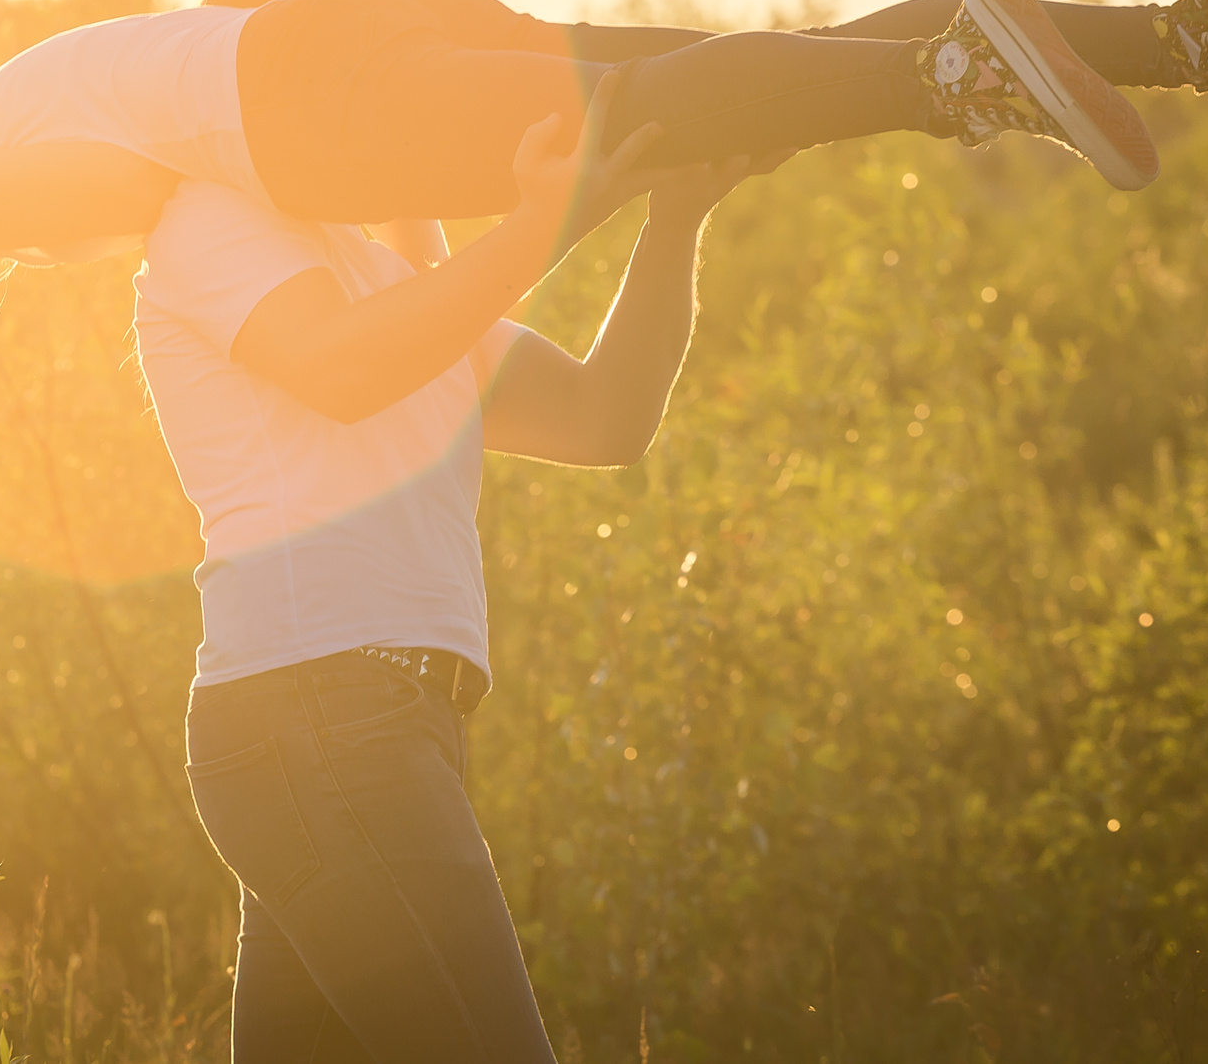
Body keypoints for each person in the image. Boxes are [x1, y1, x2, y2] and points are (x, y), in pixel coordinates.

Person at [0, 0, 1208, 606]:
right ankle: (1198, 32)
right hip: (367, 29)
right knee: (718, 81)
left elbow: (127, 175)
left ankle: (956, 76)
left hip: (306, 110)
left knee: (650, 119)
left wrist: (153, 234)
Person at [139, 62, 758, 1060]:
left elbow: (604, 418)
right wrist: (544, 220)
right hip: (320, 718)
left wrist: (671, 222)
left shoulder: (397, 289)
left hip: (375, 725)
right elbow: (345, 372)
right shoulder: (215, 224)